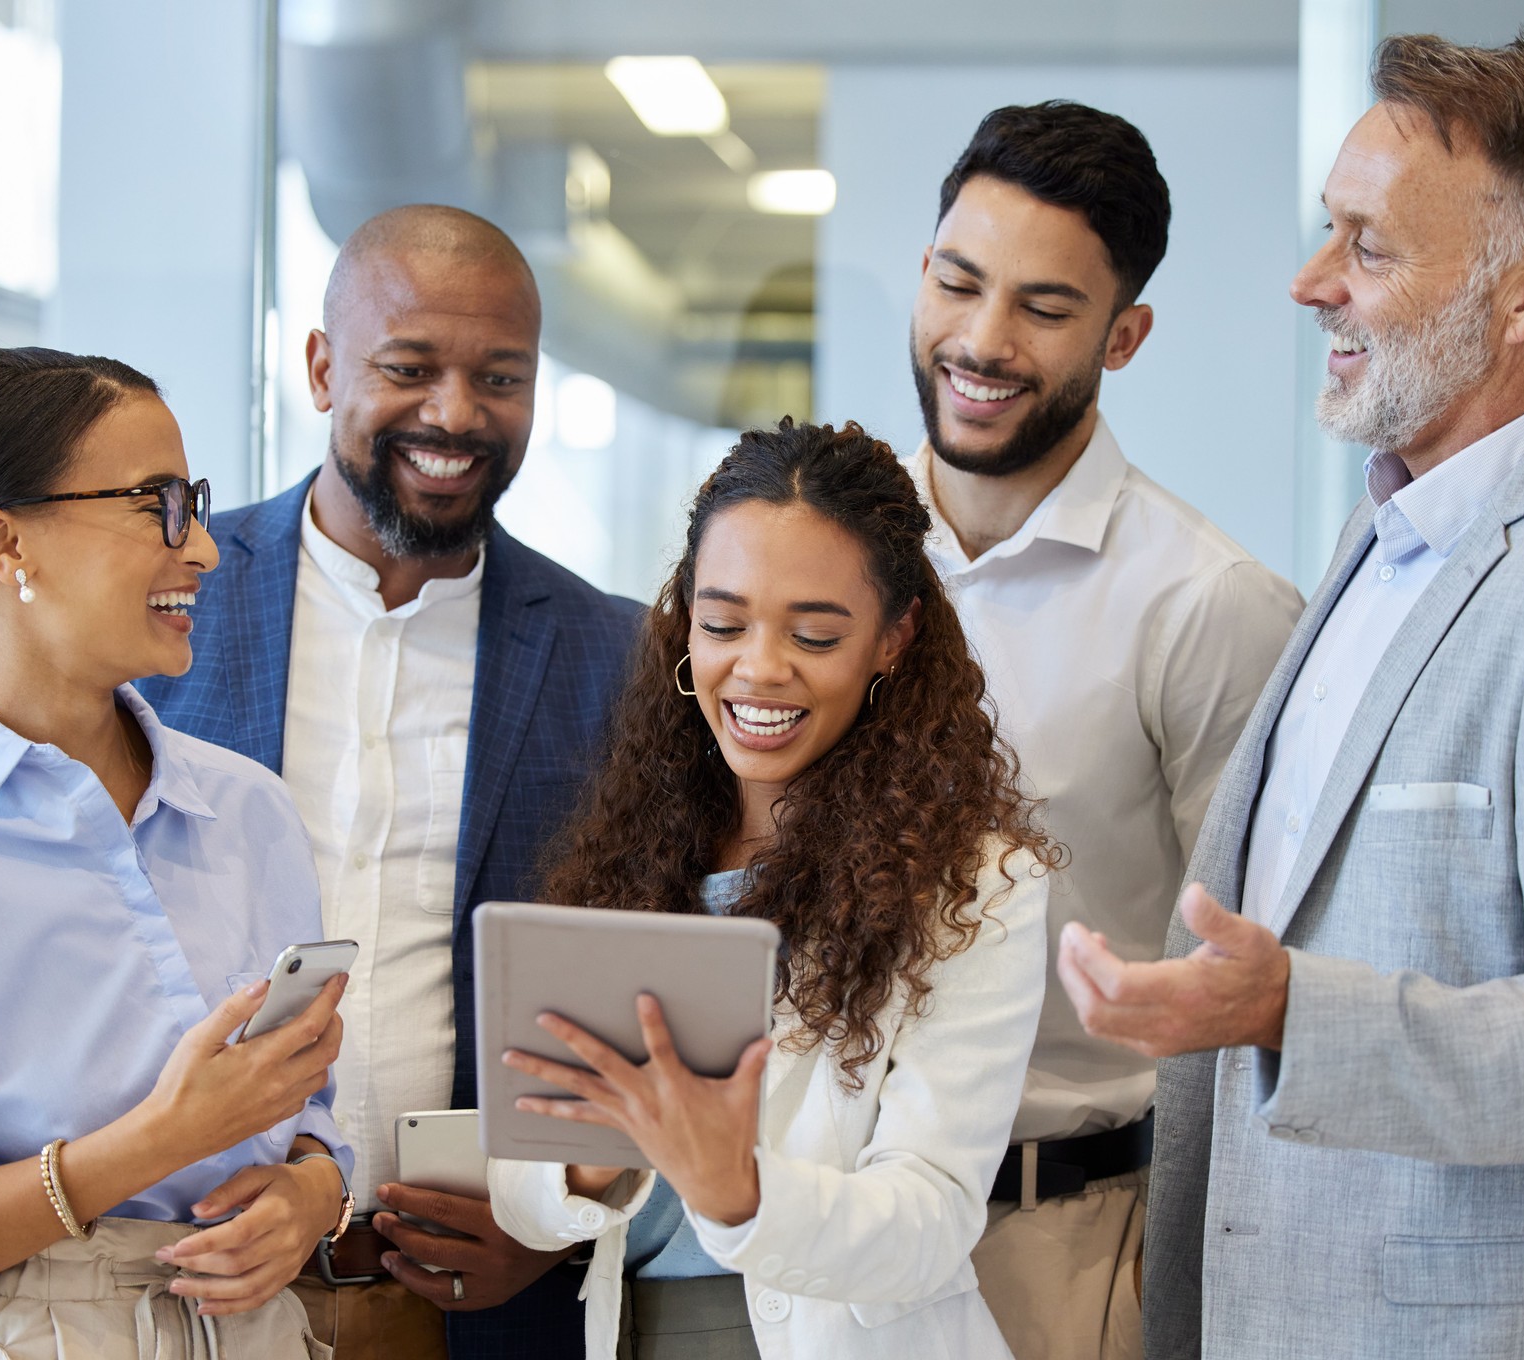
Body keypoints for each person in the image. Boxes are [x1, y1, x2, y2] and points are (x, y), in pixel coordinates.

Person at [1057, 34, 1524, 1359]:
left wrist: (1288, 1011)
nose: (1310, 282)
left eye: (1367, 247)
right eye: (1326, 231)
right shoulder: (1387, 528)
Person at [136, 204, 639, 1358]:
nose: (455, 415)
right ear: (321, 368)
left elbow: (649, 978)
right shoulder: (172, 608)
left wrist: (561, 1224)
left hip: (479, 1305)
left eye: (499, 377)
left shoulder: (619, 657)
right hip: (182, 1280)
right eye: (408, 368)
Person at [0, 348, 353, 1356]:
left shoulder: (252, 811)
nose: (204, 549)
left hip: (257, 1330)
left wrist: (312, 1189)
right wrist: (157, 1141)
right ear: (3, 544)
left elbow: (315, 1115)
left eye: (197, 502)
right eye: (155, 505)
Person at [486, 418, 1056, 1359]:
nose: (758, 668)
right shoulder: (633, 848)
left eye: (815, 634)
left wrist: (733, 1186)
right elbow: (527, 1182)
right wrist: (590, 1160)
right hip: (634, 1333)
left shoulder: (975, 883)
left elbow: (930, 1220)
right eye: (722, 623)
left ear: (894, 637)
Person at [906, 102, 1302, 1358]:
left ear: (1123, 336)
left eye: (1044, 307)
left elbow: (1255, 981)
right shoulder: (822, 554)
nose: (981, 339)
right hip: (807, 1222)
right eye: (959, 282)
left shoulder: (1206, 603)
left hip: (1061, 1242)